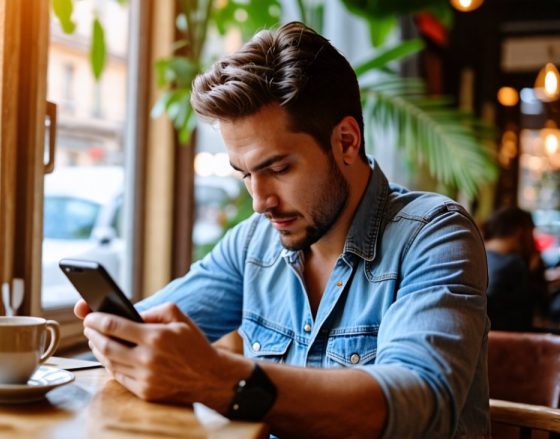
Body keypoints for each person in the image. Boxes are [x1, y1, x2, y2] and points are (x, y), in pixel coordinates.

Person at [75, 22, 489, 438]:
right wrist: (119, 335)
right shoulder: (253, 243)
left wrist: (222, 379)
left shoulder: (435, 234)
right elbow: (144, 332)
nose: (260, 201)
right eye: (245, 175)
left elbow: (419, 403)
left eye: (278, 169)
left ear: (346, 141)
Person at [481, 206, 543, 331]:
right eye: (531, 232)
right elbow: (529, 316)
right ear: (521, 232)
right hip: (506, 342)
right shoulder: (514, 264)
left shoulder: (475, 253)